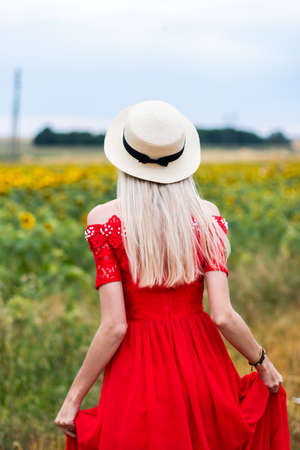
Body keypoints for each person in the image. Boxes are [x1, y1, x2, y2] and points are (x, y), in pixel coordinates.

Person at [54, 100, 290, 449]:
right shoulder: (206, 217)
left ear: (123, 158)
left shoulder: (104, 222)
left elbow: (114, 326)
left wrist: (74, 398)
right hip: (202, 363)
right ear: (182, 160)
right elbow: (223, 315)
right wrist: (263, 364)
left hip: (137, 370)